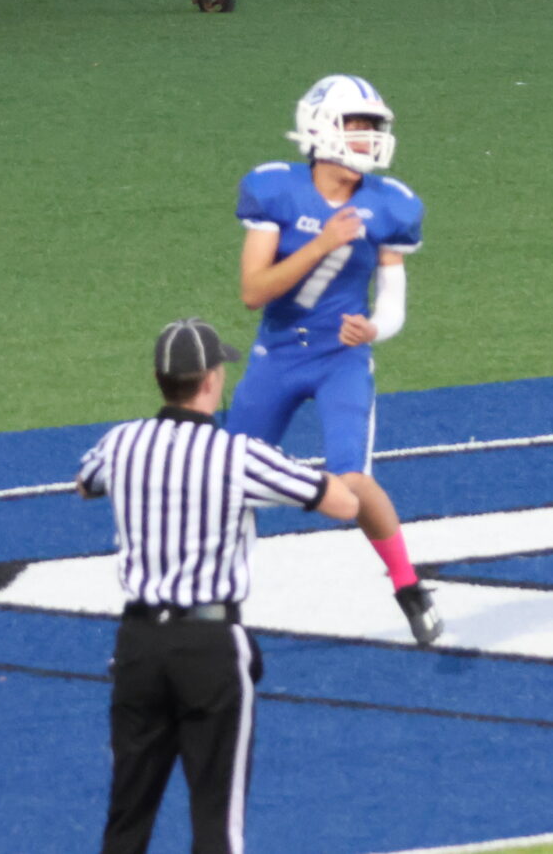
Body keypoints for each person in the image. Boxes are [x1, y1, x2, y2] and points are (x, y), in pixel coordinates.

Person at [81, 317, 362, 854]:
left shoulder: (121, 443)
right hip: (208, 645)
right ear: (211, 379)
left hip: (138, 645)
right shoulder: (237, 455)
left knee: (126, 822)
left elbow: (85, 482)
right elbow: (340, 503)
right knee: (217, 826)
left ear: (161, 380)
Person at [226, 74, 442, 646]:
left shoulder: (391, 204)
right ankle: (216, 605)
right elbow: (253, 292)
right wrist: (321, 244)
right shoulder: (276, 189)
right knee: (227, 485)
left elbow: (392, 303)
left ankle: (408, 586)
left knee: (353, 481)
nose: (369, 136)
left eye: (374, 125)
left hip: (340, 359)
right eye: (358, 124)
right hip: (276, 355)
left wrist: (374, 328)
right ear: (322, 127)